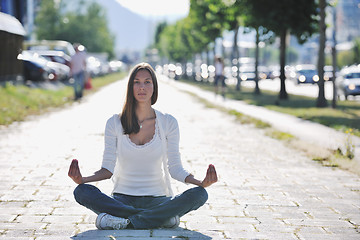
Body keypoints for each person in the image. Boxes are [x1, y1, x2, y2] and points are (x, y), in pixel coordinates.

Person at [68, 62, 218, 230]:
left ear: (154, 87)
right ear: (130, 87)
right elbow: (107, 169)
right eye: (137, 82)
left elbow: (175, 168)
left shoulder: (168, 122)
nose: (142, 87)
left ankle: (127, 220)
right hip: (122, 200)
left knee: (200, 194)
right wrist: (83, 180)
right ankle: (159, 219)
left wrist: (201, 182)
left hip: (159, 200)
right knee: (81, 191)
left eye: (147, 82)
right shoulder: (114, 123)